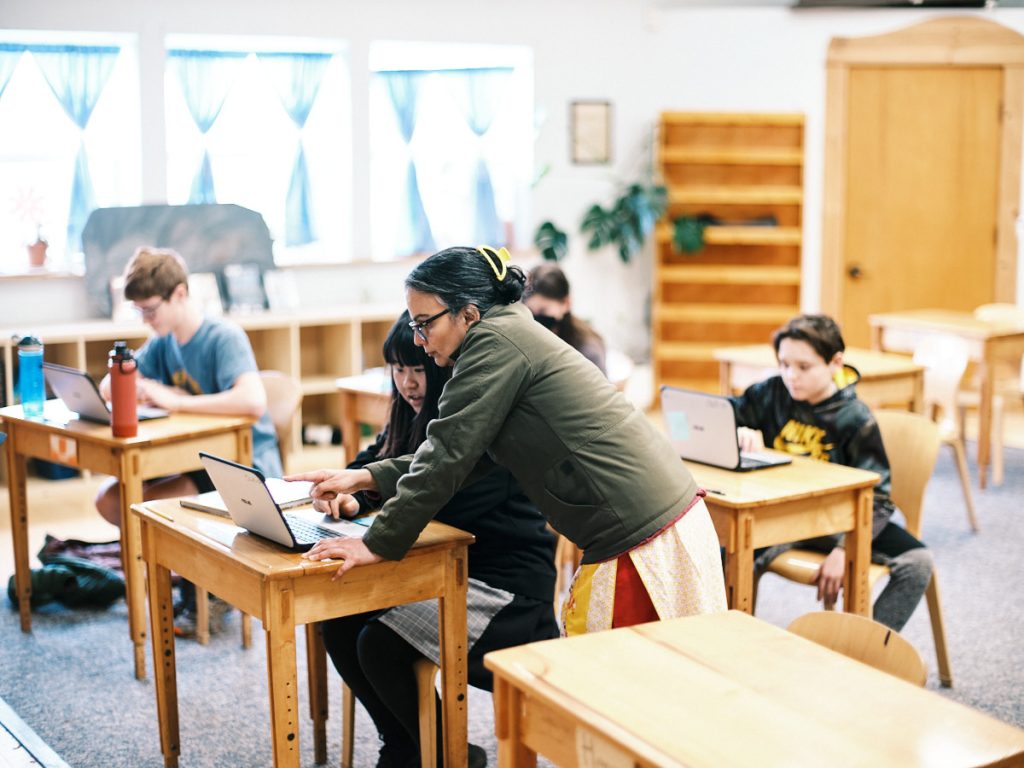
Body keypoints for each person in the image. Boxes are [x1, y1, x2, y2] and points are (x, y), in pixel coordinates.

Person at [290, 245, 727, 637]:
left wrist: (375, 543)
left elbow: (447, 454)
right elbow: (464, 452)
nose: (420, 342)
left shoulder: (494, 344)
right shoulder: (506, 334)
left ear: (469, 313)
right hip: (653, 524)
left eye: (425, 325)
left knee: (615, 692)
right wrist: (364, 477)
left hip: (642, 536)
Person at [320, 312, 557, 768]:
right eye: (398, 370)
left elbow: (434, 506)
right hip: (437, 574)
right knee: (339, 620)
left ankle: (447, 751)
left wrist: (373, 502)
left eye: (418, 369)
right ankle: (410, 745)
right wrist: (352, 498)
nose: (408, 383)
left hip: (504, 592)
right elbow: (371, 466)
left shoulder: (466, 425)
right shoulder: (406, 417)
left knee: (378, 642)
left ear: (443, 365)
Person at [95, 246, 281, 635]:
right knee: (110, 500)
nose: (145, 320)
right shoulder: (164, 342)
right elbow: (109, 387)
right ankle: (190, 576)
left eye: (150, 310)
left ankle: (209, 585)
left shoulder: (222, 337)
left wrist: (178, 403)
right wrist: (133, 379)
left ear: (179, 294)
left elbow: (252, 401)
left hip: (242, 468)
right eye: (139, 312)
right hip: (197, 463)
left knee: (145, 505)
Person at [729, 314, 933, 630]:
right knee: (723, 549)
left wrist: (846, 548)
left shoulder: (855, 418)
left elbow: (878, 499)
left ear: (835, 363)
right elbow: (722, 415)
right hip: (780, 517)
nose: (790, 376)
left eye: (803, 367)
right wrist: (740, 430)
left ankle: (863, 651)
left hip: (839, 524)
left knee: (918, 562)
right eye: (783, 364)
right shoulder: (770, 393)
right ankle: (725, 642)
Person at [523, 263, 606, 374]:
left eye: (543, 310)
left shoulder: (588, 350)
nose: (536, 317)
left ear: (566, 303)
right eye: (530, 311)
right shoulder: (527, 343)